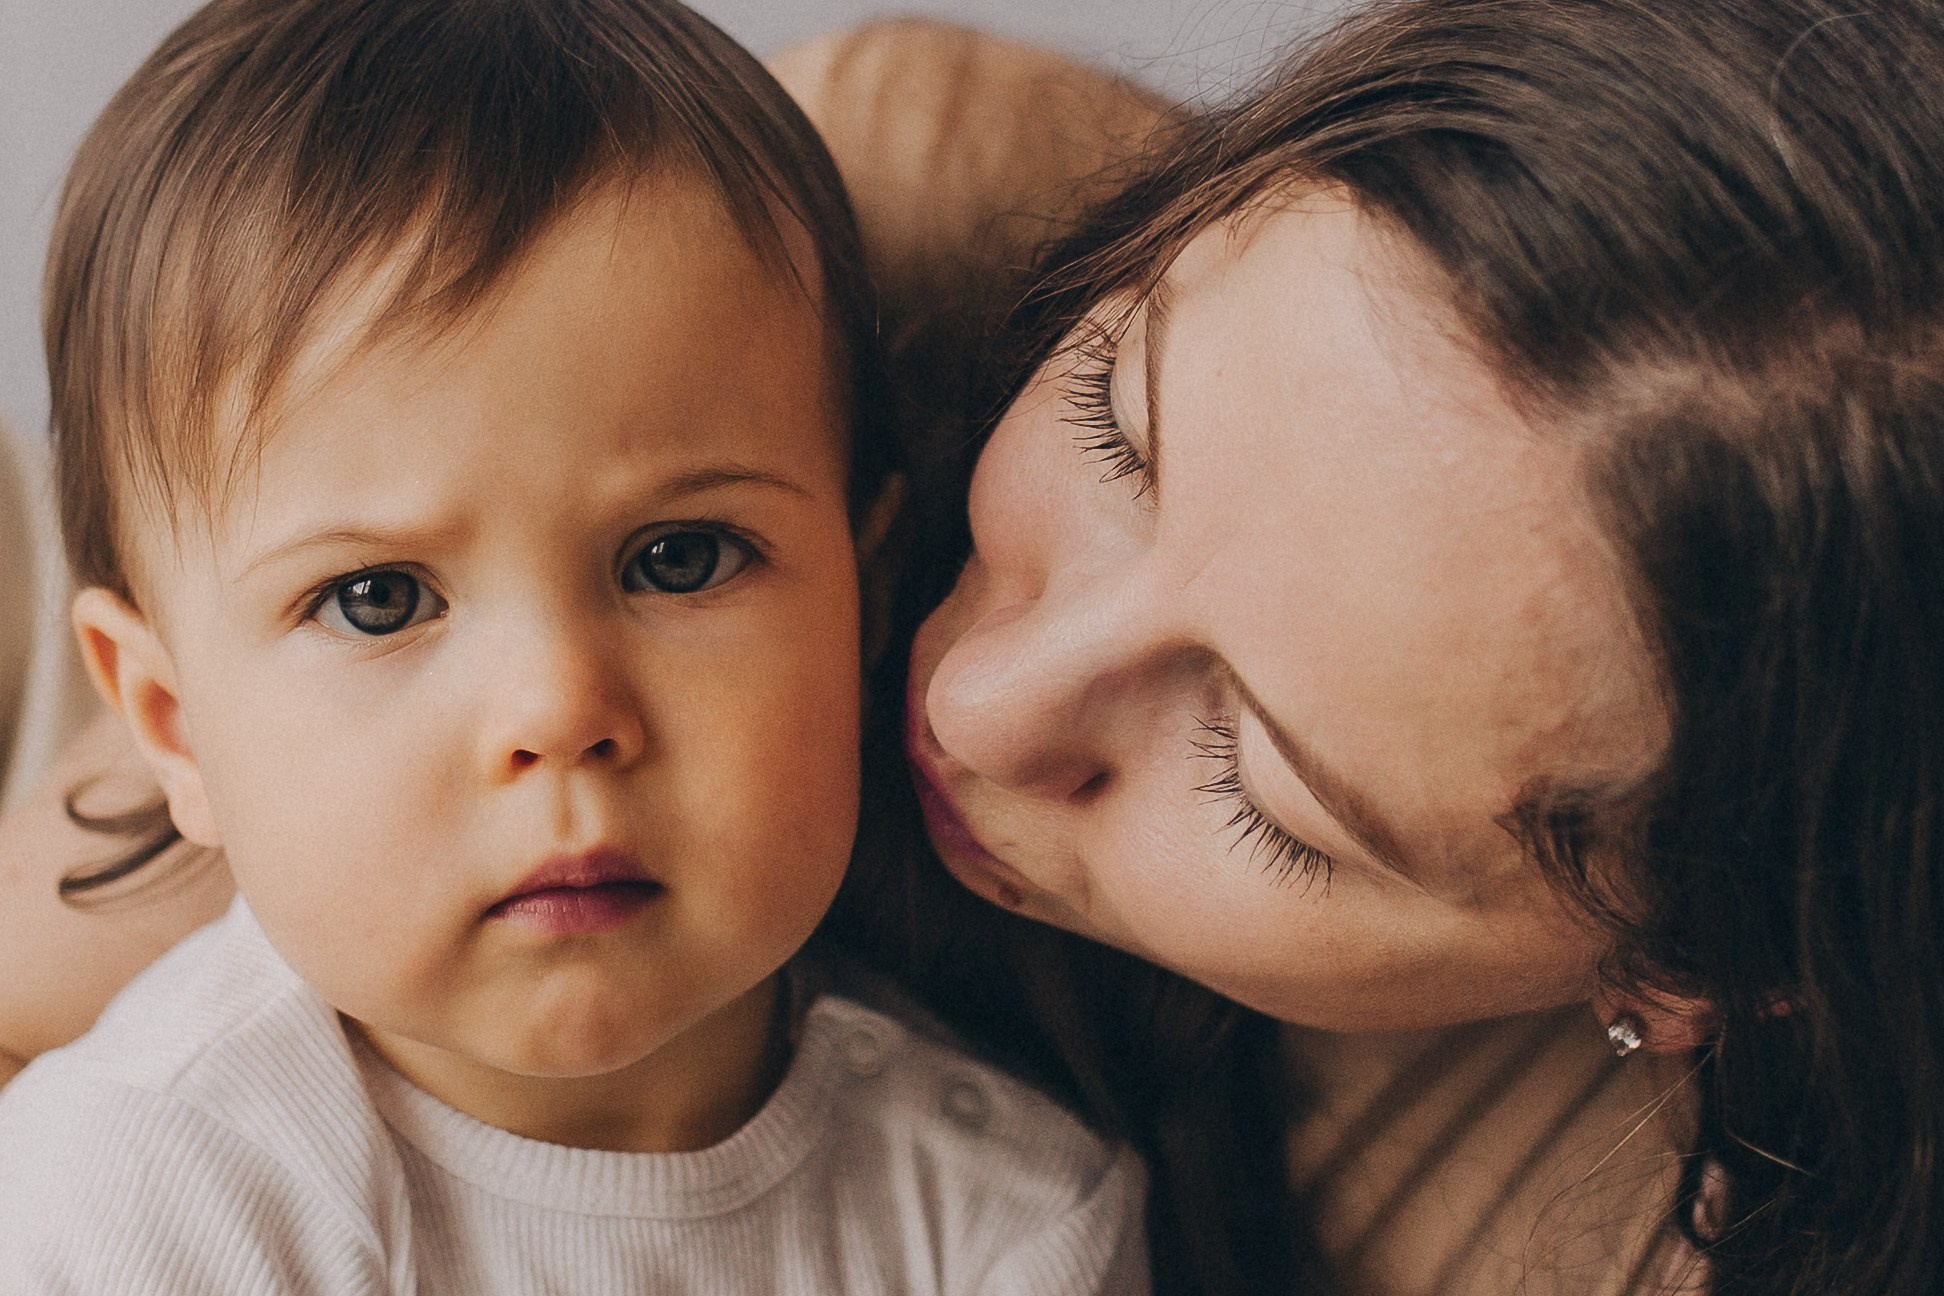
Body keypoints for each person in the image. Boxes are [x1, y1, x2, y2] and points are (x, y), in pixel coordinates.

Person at [10, 0, 1944, 1292]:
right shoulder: (167, 1165)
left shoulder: (1017, 1208)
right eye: (1115, 427)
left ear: (1697, 971)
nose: (954, 690)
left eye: (1267, 786)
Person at [0, 1, 1152, 1291]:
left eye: (680, 558)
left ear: (866, 602)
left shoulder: (1013, 1224)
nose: (561, 710)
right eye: (379, 599)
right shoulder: (139, 1193)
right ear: (171, 724)